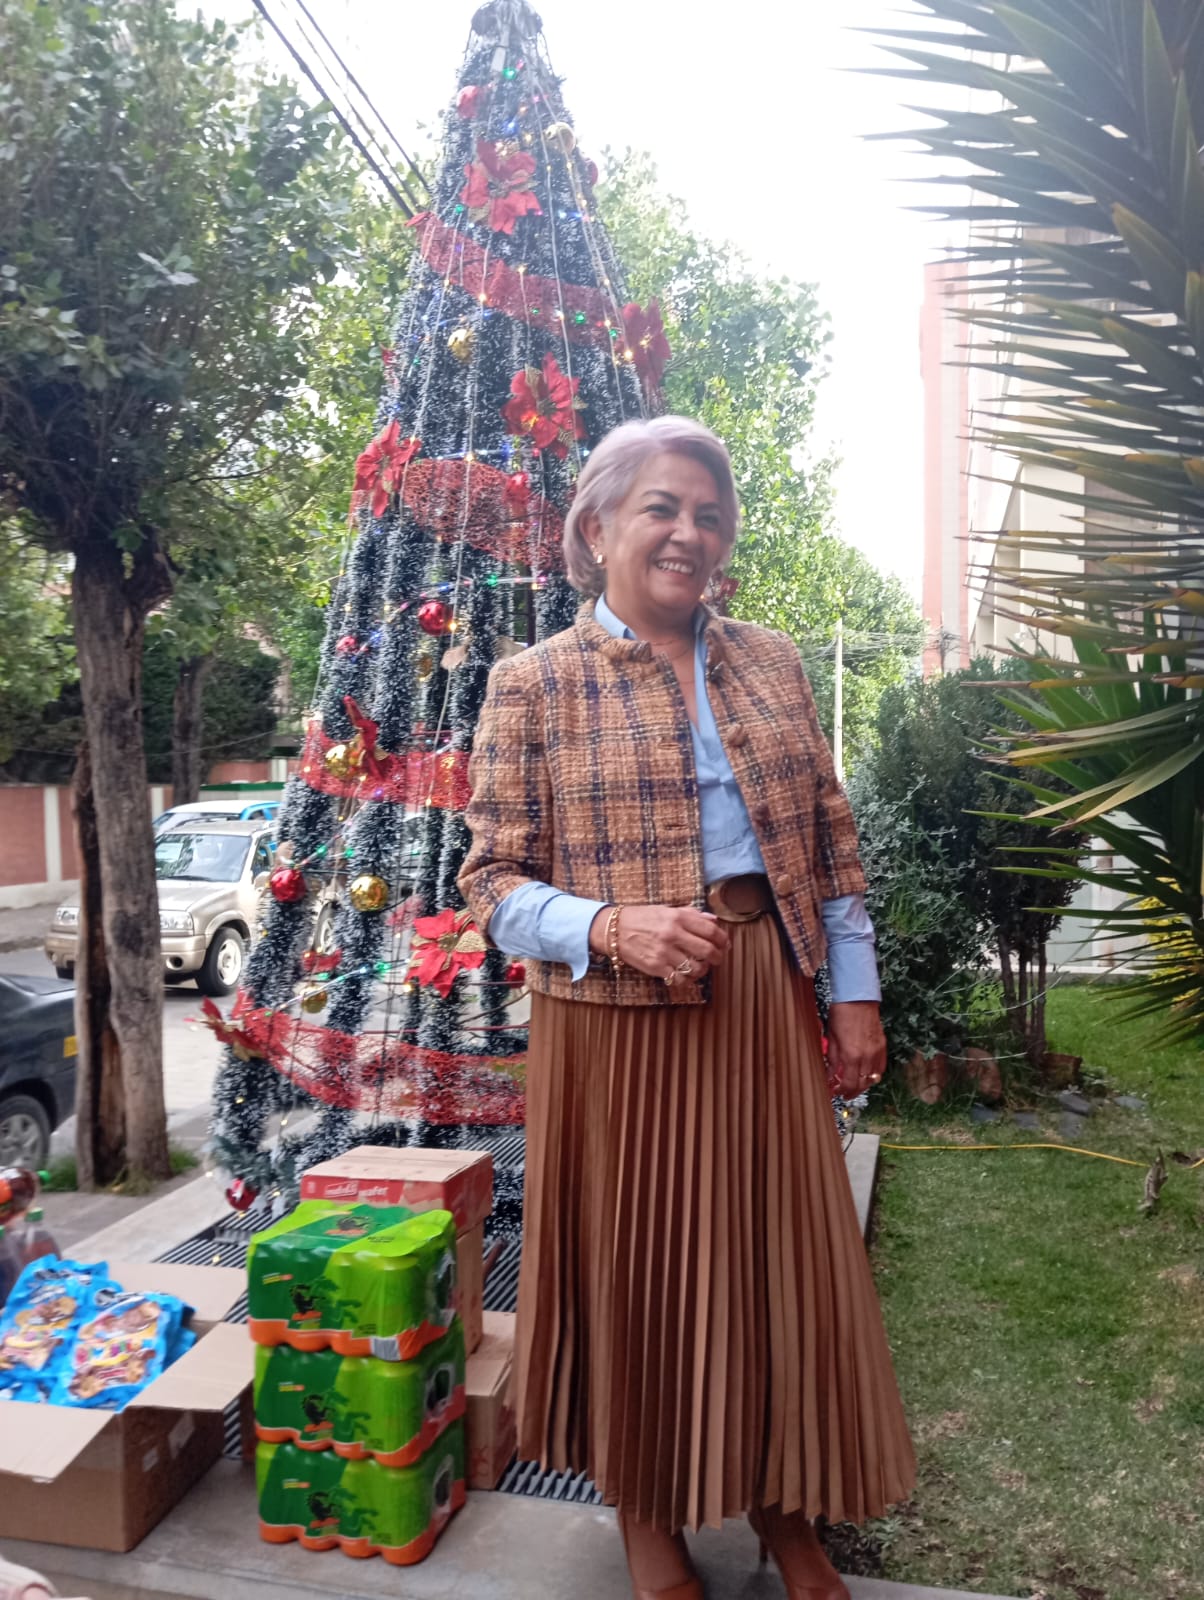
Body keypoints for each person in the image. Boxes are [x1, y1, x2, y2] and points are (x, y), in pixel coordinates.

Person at [460, 415, 915, 1600]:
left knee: (778, 1266)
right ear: (597, 525)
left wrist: (853, 997)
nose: (687, 532)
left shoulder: (771, 661)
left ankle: (784, 1508)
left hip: (761, 992)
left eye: (709, 515)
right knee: (638, 1275)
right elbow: (491, 883)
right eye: (661, 506)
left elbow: (830, 844)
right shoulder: (531, 684)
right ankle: (647, 1518)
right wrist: (610, 925)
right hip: (613, 1020)